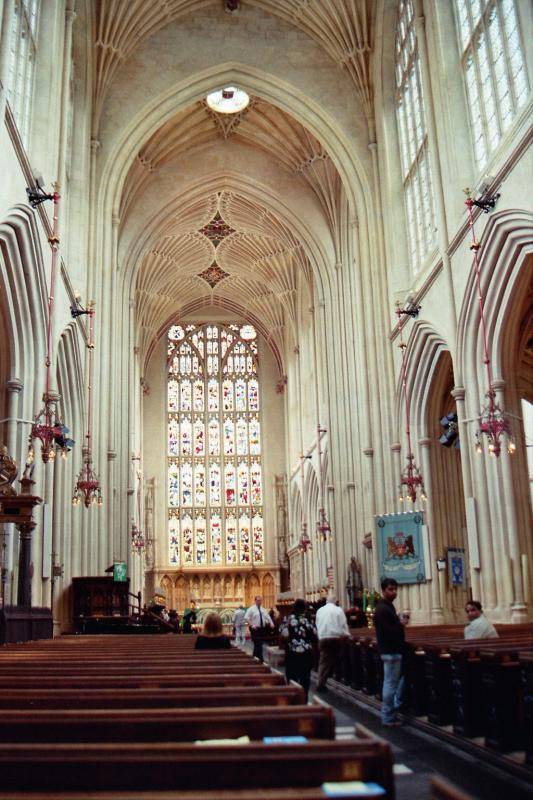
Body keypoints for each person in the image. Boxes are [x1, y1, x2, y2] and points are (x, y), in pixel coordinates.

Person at [374, 578, 407, 727]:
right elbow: (387, 631)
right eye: (390, 589)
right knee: (390, 685)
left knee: (392, 683)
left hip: (392, 650)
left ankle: (392, 710)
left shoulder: (387, 607)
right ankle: (387, 717)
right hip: (391, 650)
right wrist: (401, 625)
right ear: (383, 590)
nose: (394, 592)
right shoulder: (383, 609)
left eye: (395, 589)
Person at [280, 598, 317, 701]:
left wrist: (291, 640)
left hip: (292, 654)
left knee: (292, 678)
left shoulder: (288, 619)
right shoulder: (309, 619)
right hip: (306, 654)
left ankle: (293, 701)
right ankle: (304, 699)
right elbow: (315, 635)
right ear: (304, 608)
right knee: (305, 679)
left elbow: (283, 635)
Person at [315, 593, 350, 692]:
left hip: (323, 638)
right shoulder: (338, 610)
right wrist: (347, 634)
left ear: (326, 601)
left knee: (324, 661)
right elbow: (343, 624)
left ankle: (321, 682)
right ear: (335, 601)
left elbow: (317, 624)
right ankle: (339, 678)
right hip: (335, 638)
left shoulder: (320, 610)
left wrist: (320, 635)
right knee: (339, 658)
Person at [244, 595, 274, 661]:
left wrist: (271, 623)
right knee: (258, 643)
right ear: (255, 601)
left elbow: (267, 616)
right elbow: (246, 617)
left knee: (259, 644)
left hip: (262, 629)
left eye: (260, 600)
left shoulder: (263, 609)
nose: (259, 602)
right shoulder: (251, 609)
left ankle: (255, 657)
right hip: (255, 629)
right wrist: (251, 625)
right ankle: (260, 658)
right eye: (258, 600)